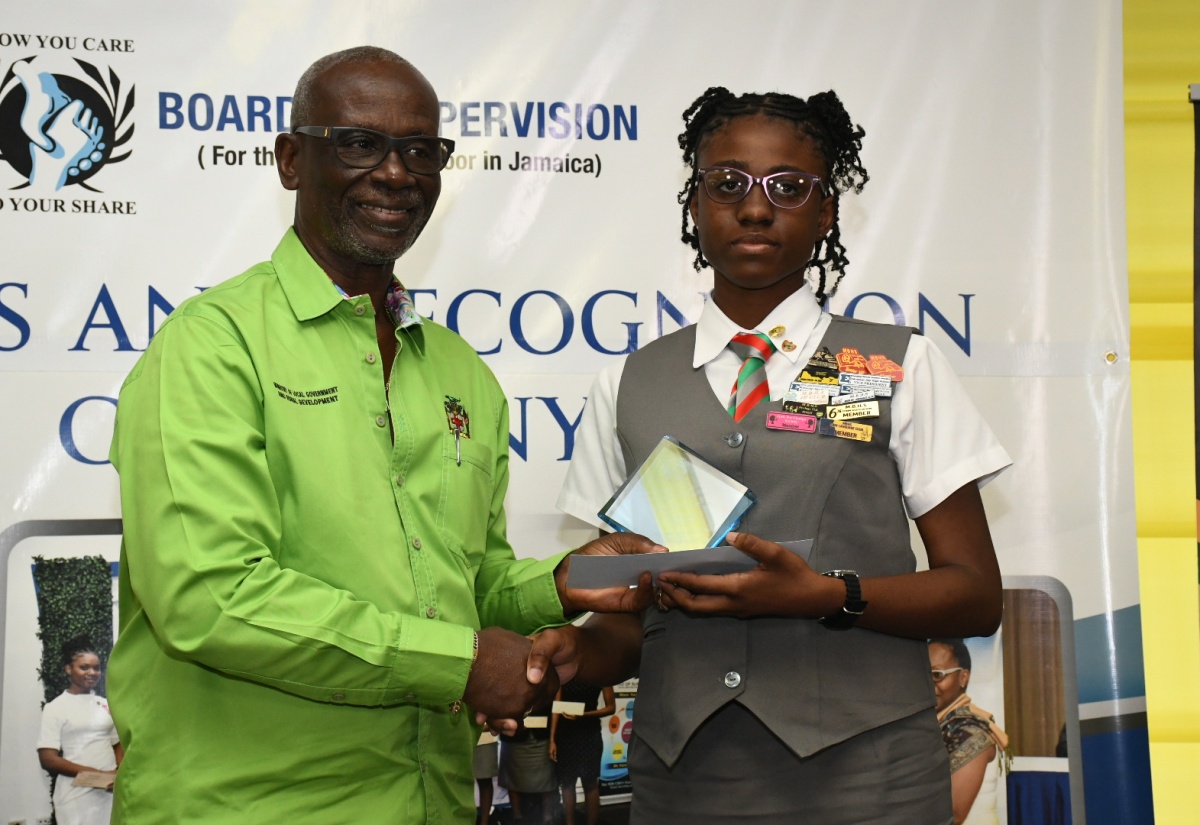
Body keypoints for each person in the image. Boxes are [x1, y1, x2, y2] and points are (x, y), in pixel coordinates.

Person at [107, 46, 658, 825]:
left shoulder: (461, 374)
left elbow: (464, 583)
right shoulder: (212, 346)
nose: (397, 173)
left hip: (428, 799)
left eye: (421, 150)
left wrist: (562, 584)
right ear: (292, 159)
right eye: (360, 143)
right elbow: (212, 596)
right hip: (242, 807)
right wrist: (463, 665)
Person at [531, 87, 1011, 824]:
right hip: (686, 782)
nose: (756, 208)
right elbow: (629, 615)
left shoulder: (896, 364)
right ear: (694, 205)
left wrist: (825, 595)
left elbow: (975, 593)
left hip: (868, 781)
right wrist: (575, 650)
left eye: (789, 188)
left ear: (825, 213)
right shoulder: (625, 383)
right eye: (728, 184)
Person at [37, 638, 123, 825]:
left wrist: (119, 775)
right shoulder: (55, 708)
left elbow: (117, 745)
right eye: (84, 667)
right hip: (75, 797)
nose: (92, 672)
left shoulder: (105, 705)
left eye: (96, 667)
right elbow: (48, 759)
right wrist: (95, 776)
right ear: (69, 669)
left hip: (108, 795)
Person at [929, 639, 1009, 825]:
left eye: (937, 675)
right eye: (923, 675)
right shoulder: (940, 723)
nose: (928, 683)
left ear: (963, 678)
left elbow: (952, 816)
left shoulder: (971, 731)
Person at [549, 682, 615, 825]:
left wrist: (584, 715)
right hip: (566, 734)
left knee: (590, 783)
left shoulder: (601, 673)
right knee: (567, 782)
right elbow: (557, 705)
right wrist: (552, 739)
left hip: (589, 734)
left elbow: (611, 707)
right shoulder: (565, 673)